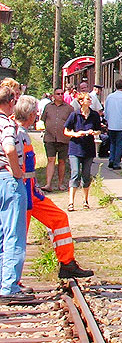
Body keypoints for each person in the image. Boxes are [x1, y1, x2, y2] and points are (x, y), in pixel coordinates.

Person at [13, 96, 92, 280]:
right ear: (32, 115)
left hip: (30, 192)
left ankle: (67, 263)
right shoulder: (16, 133)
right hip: (22, 192)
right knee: (17, 237)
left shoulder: (19, 132)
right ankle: (11, 282)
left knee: (59, 219)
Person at [0, 86, 31, 304]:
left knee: (2, 234)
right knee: (13, 234)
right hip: (8, 181)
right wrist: (17, 171)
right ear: (11, 102)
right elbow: (10, 148)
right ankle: (9, 286)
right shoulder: (7, 124)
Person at [63, 93, 100, 211]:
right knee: (75, 174)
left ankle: (85, 200)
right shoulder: (74, 114)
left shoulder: (94, 115)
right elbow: (66, 131)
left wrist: (94, 133)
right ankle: (71, 202)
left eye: (90, 99)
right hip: (75, 148)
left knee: (86, 175)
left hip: (88, 149)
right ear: (81, 102)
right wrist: (75, 134)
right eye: (88, 99)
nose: (90, 101)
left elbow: (99, 130)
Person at [41, 87, 73, 191]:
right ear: (53, 95)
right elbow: (43, 120)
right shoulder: (48, 107)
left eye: (61, 94)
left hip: (64, 139)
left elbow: (72, 123)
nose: (60, 95)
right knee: (51, 160)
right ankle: (48, 184)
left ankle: (60, 184)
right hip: (50, 138)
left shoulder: (69, 108)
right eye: (57, 94)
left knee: (62, 161)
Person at [103, 80, 122, 170]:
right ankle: (116, 163)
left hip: (111, 124)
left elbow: (106, 111)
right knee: (119, 144)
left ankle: (111, 160)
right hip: (121, 124)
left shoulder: (109, 97)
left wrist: (107, 121)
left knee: (112, 143)